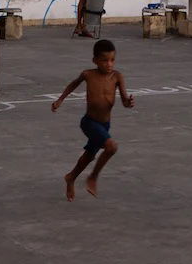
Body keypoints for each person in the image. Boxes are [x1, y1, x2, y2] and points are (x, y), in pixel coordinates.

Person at [51, 38, 134, 200]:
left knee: (89, 155)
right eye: (104, 60)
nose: (109, 64)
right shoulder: (88, 74)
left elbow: (124, 101)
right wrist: (60, 99)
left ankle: (71, 177)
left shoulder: (117, 77)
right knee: (111, 147)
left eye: (112, 60)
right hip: (89, 122)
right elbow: (72, 85)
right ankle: (93, 177)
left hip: (105, 125)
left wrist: (128, 102)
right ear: (95, 60)